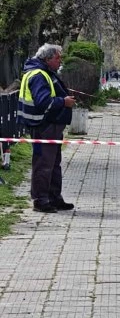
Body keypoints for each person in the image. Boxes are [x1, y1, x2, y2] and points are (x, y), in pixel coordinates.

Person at [17, 44, 76, 213]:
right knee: (44, 165)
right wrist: (63, 102)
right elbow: (44, 102)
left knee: (54, 164)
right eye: (58, 58)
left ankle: (54, 197)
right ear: (47, 58)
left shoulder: (45, 73)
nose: (60, 61)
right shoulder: (38, 75)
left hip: (51, 126)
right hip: (43, 126)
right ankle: (41, 201)